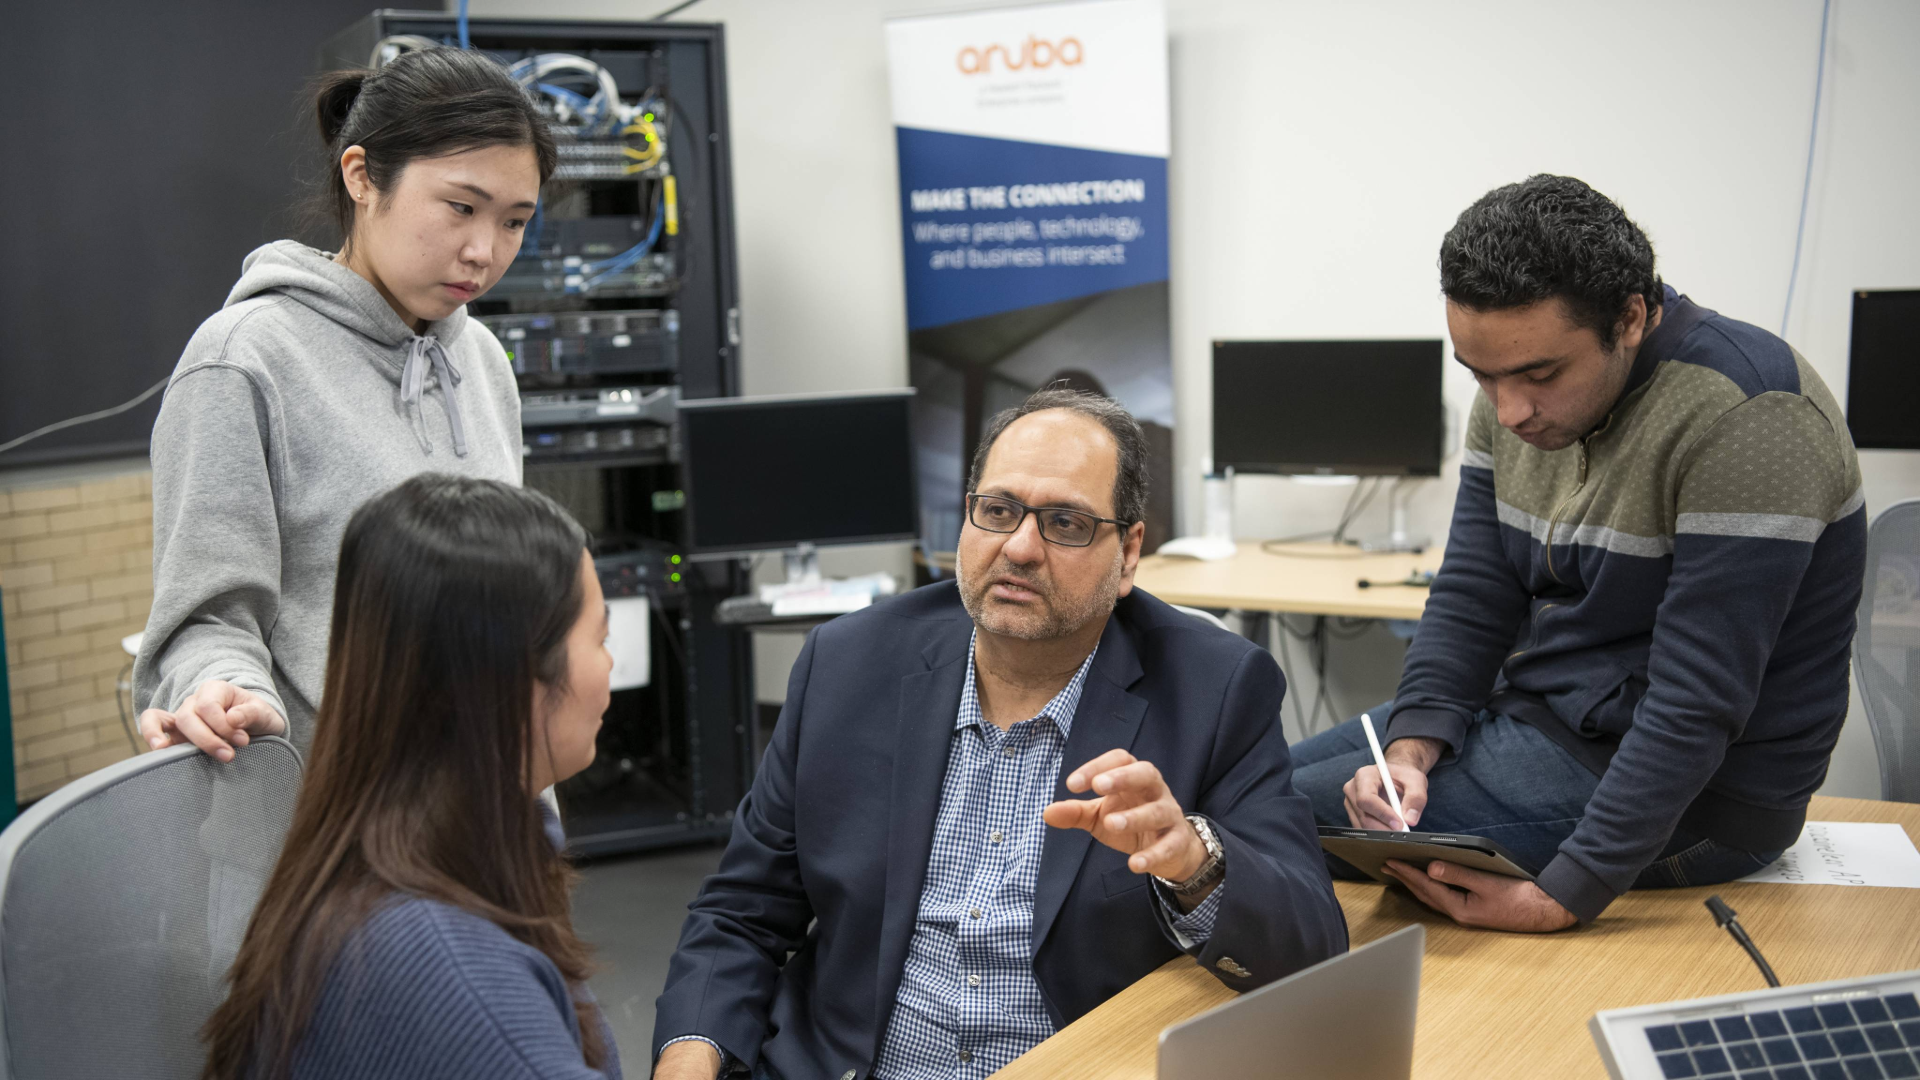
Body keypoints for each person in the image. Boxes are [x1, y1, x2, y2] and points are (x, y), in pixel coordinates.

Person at [652, 389, 1346, 1080]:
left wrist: (1195, 866)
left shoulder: (1214, 690)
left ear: (1129, 553)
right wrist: (688, 1055)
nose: (1019, 547)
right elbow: (742, 912)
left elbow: (1310, 948)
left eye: (1066, 523)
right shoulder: (847, 664)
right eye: (998, 511)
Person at [1291, 175, 1866, 932]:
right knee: (1252, 777)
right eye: (1481, 376)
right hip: (1541, 721)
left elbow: (1695, 703)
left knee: (1256, 815)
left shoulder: (1751, 416)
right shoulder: (1511, 386)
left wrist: (1567, 893)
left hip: (1702, 803)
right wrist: (1412, 749)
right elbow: (1474, 592)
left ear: (1630, 317)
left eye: (1539, 375)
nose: (1509, 411)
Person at [135, 47, 555, 758]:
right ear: (362, 177)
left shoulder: (480, 359)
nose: (484, 251)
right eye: (460, 207)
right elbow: (204, 622)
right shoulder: (243, 360)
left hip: (482, 795)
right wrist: (221, 687)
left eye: (514, 221)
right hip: (328, 824)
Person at [200, 474, 617, 1080]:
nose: (611, 664)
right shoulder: (452, 978)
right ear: (513, 678)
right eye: (600, 637)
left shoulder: (389, 855)